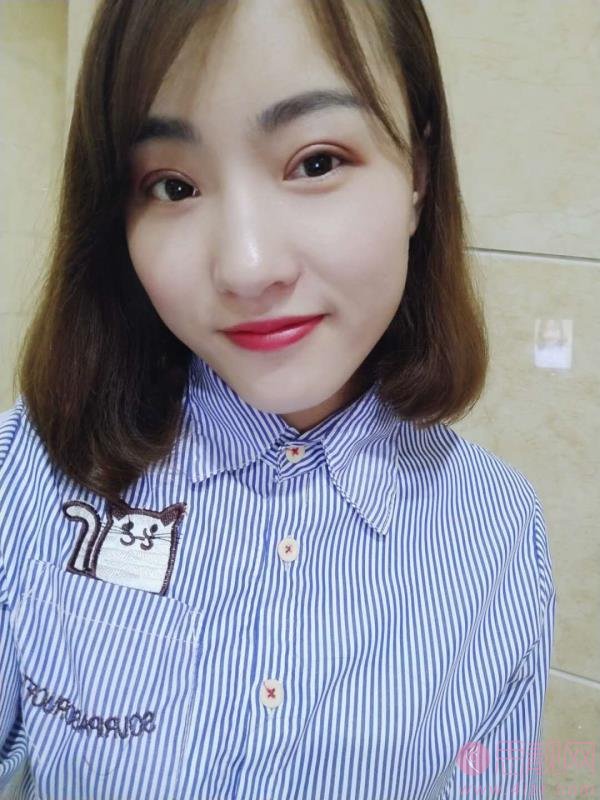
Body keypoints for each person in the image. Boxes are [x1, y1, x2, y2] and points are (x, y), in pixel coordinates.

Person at [0, 0, 556, 798]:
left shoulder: (499, 531)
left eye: (317, 162)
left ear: (419, 173)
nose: (247, 266)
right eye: (173, 185)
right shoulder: (32, 467)